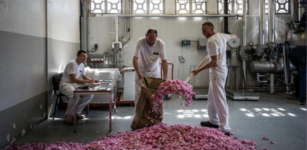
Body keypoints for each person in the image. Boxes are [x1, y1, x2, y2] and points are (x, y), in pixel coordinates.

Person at [192, 22, 237, 136]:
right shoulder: (222, 36)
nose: (203, 33)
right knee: (212, 98)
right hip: (218, 71)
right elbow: (234, 36)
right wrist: (231, 38)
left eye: (205, 30)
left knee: (219, 99)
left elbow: (214, 62)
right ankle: (214, 121)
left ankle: (225, 128)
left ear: (212, 29)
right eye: (202, 30)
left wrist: (199, 70)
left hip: (217, 71)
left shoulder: (211, 41)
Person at [59, 50, 99, 125]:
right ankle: (68, 116)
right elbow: (73, 79)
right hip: (65, 84)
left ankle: (76, 113)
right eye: (83, 56)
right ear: (78, 56)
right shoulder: (72, 64)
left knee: (90, 94)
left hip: (73, 85)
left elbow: (84, 77)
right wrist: (88, 82)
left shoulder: (81, 65)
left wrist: (92, 80)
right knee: (75, 94)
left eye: (86, 57)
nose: (85, 58)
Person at [133, 29, 168, 107]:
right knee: (139, 94)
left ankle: (154, 115)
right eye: (149, 39)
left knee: (155, 95)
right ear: (146, 36)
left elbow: (164, 61)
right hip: (141, 72)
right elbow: (135, 59)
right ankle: (139, 115)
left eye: (153, 40)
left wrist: (165, 76)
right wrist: (138, 72)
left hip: (154, 73)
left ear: (157, 37)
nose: (151, 42)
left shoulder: (160, 44)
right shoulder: (140, 42)